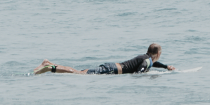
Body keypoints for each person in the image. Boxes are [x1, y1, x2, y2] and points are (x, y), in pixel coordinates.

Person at [34, 43, 174, 75]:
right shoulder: (147, 61)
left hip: (112, 67)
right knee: (79, 73)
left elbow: (152, 64)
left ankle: (49, 63)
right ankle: (49, 68)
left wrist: (165, 67)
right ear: (157, 53)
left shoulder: (147, 57)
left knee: (80, 72)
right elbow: (139, 73)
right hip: (111, 69)